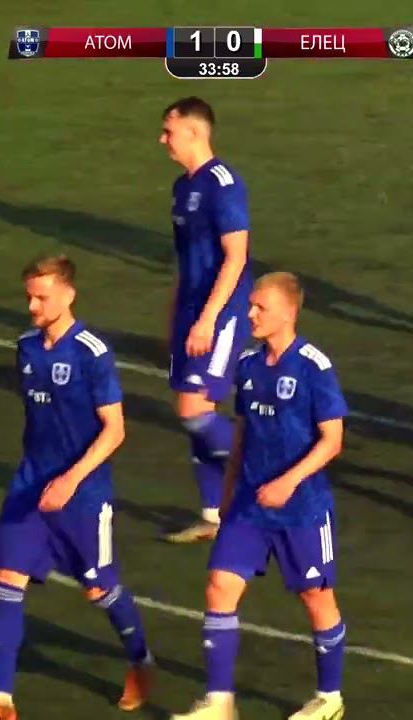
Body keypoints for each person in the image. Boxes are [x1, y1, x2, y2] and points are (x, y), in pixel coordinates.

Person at [173, 273, 348, 720]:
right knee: (220, 586)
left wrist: (289, 482)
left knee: (315, 597)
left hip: (302, 508)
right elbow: (242, 435)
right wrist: (228, 493)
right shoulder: (249, 364)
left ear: (288, 313)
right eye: (250, 305)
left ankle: (330, 698)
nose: (250, 314)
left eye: (259, 308)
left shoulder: (313, 366)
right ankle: (220, 702)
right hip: (249, 504)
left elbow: (332, 441)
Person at [0, 255, 153, 719]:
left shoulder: (91, 353)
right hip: (31, 485)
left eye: (41, 297)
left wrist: (70, 479)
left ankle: (141, 661)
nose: (32, 306)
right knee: (6, 580)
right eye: (29, 296)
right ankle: (2, 697)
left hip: (82, 492)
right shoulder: (26, 346)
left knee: (99, 588)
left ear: (68, 295)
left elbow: (115, 430)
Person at [160, 96, 256, 542]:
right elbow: (186, 262)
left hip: (221, 312)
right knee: (196, 414)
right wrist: (175, 316)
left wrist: (208, 319)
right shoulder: (182, 188)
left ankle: (266, 463)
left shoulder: (224, 184)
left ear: (195, 132)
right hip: (190, 311)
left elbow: (236, 257)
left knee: (194, 412)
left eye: (169, 131)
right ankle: (214, 516)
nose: (162, 139)